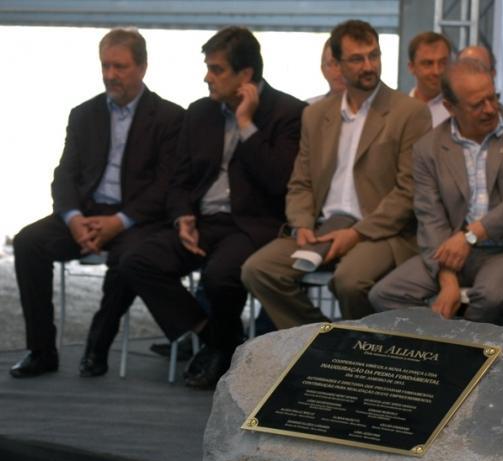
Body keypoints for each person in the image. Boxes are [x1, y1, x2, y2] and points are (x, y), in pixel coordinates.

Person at [120, 27, 305, 389]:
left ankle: (218, 348)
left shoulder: (289, 113)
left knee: (220, 275)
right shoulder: (200, 112)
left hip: (252, 225)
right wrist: (183, 216)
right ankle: (217, 337)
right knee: (137, 262)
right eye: (208, 67)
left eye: (216, 69)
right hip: (203, 221)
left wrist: (246, 124)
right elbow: (179, 178)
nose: (207, 77)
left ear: (245, 75)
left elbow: (280, 182)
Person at [10, 28, 183, 379]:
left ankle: (97, 346)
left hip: (136, 220)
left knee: (130, 259)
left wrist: (119, 221)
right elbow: (64, 175)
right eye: (105, 65)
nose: (110, 75)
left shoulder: (169, 117)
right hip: (86, 214)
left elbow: (164, 186)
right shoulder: (83, 114)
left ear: (142, 68)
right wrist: (73, 219)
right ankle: (41, 351)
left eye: (119, 66)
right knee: (28, 242)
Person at [241, 19, 432, 329]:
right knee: (258, 270)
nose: (369, 66)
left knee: (349, 282)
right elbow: (301, 182)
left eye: (374, 55)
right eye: (357, 59)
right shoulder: (316, 115)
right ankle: (323, 339)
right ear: (338, 65)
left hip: (380, 232)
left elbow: (408, 191)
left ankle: (363, 347)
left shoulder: (409, 112)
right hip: (322, 227)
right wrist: (302, 224)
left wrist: (356, 234)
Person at [369, 58, 503, 325]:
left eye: (493, 98)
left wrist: (470, 236)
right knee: (386, 294)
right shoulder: (429, 148)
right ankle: (439, 346)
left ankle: (464, 348)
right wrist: (447, 279)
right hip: (453, 252)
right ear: (450, 107)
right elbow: (430, 218)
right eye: (477, 104)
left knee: (491, 296)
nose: (490, 109)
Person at [407, 31, 452, 126]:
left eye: (443, 63)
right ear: (412, 67)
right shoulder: (398, 111)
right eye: (428, 63)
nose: (437, 71)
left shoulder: (459, 113)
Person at [307, 38, 346, 104]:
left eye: (345, 63)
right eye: (334, 64)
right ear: (323, 69)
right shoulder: (309, 107)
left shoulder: (365, 107)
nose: (340, 70)